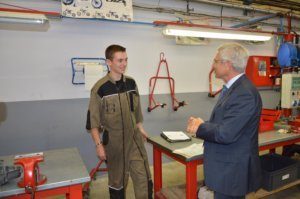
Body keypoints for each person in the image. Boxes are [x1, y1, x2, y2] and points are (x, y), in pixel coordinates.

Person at [186, 43, 262, 199]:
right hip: (226, 167)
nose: (213, 65)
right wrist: (204, 124)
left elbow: (226, 134)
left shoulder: (244, 93)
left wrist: (200, 127)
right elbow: (225, 121)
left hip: (232, 171)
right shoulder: (233, 89)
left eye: (215, 61)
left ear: (227, 65)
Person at [86, 44, 153, 199]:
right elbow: (93, 123)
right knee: (118, 183)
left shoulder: (131, 83)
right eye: (120, 60)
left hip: (134, 140)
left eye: (126, 60)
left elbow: (136, 112)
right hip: (114, 144)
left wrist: (140, 128)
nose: (124, 64)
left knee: (143, 177)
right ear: (109, 62)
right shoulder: (99, 89)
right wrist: (98, 146)